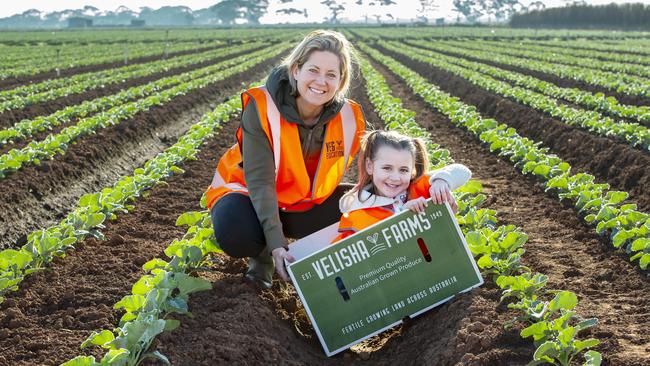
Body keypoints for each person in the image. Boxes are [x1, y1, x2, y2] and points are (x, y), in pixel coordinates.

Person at [204, 30, 366, 288]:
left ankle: (326, 271)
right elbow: (260, 182)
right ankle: (263, 258)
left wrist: (432, 183)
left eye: (331, 75)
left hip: (300, 202)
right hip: (248, 194)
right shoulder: (263, 106)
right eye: (313, 70)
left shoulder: (349, 116)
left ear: (341, 80)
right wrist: (277, 245)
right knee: (236, 233)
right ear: (295, 70)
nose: (321, 81)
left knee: (361, 207)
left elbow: (381, 164)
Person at [334, 130, 471, 242]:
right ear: (370, 166)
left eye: (403, 170)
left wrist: (441, 181)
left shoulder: (417, 187)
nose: (395, 178)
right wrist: (403, 217)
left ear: (412, 170)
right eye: (387, 168)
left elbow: (462, 171)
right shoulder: (357, 214)